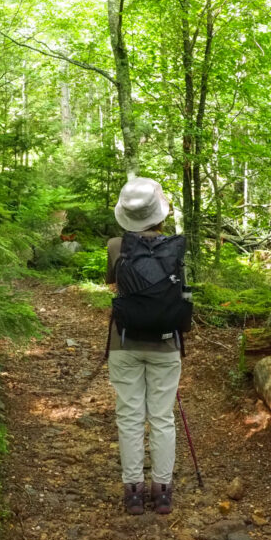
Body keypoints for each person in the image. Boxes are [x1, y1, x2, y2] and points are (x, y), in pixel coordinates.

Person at [106, 177, 187, 515]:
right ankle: (163, 489)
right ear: (159, 212)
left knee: (129, 416)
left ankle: (134, 491)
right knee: (162, 417)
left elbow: (113, 284)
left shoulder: (116, 246)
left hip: (124, 343)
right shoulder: (177, 247)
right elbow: (184, 294)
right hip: (167, 344)